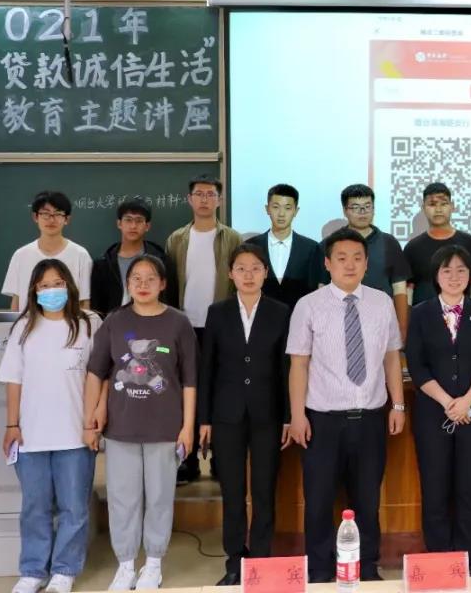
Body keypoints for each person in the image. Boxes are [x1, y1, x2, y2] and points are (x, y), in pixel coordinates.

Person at [286, 228, 405, 583]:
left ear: (367, 264)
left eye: (357, 258)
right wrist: (297, 416)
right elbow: (299, 364)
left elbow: (391, 357)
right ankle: (320, 571)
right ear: (327, 263)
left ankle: (366, 568)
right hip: (322, 420)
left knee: (367, 500)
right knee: (319, 501)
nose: (349, 265)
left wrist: (398, 405)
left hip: (370, 419)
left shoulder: (382, 303)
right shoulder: (308, 305)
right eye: (341, 258)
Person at [84, 255, 198, 591]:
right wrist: (90, 419)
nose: (143, 284)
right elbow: (96, 372)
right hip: (121, 428)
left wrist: (187, 427)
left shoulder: (178, 323)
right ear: (127, 284)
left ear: (163, 284)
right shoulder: (114, 321)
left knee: (160, 496)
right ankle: (125, 565)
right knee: (123, 497)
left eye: (151, 278)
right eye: (136, 278)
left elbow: (190, 380)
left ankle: (153, 564)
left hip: (165, 428)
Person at [0, 260, 101, 593]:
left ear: (69, 286)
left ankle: (64, 570)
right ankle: (33, 570)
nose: (51, 290)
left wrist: (94, 422)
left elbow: (100, 377)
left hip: (76, 434)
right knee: (35, 506)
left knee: (74, 507)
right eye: (43, 286)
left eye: (57, 283)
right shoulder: (24, 327)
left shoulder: (88, 324)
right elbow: (13, 379)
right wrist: (12, 424)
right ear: (34, 291)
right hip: (31, 434)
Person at [197, 243, 292, 586]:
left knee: (265, 492)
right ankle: (235, 562)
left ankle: (261, 561)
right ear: (230, 274)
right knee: (233, 493)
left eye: (255, 268)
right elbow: (207, 368)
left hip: (269, 414)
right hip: (227, 415)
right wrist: (204, 419)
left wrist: (288, 416)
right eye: (241, 268)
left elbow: (286, 368)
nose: (248, 275)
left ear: (266, 273)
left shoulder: (281, 312)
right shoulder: (217, 312)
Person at [404, 245, 471, 568]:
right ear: (436, 276)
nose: (454, 277)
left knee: (470, 489)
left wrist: (467, 401)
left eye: (461, 270)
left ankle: (466, 558)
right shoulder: (421, 313)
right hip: (434, 414)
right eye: (447, 271)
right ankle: (439, 560)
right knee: (435, 488)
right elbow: (417, 366)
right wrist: (448, 402)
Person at [166, 173, 241, 484]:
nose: (205, 199)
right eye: (199, 194)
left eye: (211, 194)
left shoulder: (233, 239)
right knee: (187, 391)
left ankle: (221, 458)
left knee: (222, 391)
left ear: (219, 200)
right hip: (185, 325)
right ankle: (188, 460)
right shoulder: (176, 239)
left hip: (221, 325)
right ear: (190, 199)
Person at [328, 183, 411, 341]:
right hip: (339, 326)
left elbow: (400, 289)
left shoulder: (389, 242)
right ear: (345, 210)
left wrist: (402, 329)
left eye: (367, 207)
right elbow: (322, 289)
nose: (362, 212)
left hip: (381, 325)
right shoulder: (330, 244)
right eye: (356, 207)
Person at [3, 190, 92, 311]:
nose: (51, 220)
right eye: (45, 214)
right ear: (35, 217)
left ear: (67, 219)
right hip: (29, 322)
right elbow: (16, 301)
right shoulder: (21, 255)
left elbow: (84, 301)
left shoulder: (80, 255)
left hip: (69, 322)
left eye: (58, 214)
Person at [403, 182, 471, 305]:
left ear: (452, 206)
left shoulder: (470, 243)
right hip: (423, 315)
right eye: (432, 204)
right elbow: (408, 288)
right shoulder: (412, 247)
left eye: (443, 204)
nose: (438, 210)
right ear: (423, 208)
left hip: (462, 314)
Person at [90, 197, 177, 318]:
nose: (133, 226)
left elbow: (171, 302)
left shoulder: (162, 262)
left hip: (153, 324)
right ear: (119, 223)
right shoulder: (103, 264)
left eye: (139, 221)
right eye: (128, 220)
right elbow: (96, 306)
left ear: (147, 226)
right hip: (114, 325)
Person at [244, 183, 322, 312]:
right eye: (276, 207)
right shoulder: (250, 247)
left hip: (299, 317)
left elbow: (314, 290)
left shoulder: (311, 248)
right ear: (267, 209)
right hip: (259, 317)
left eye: (287, 208)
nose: (281, 214)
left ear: (296, 211)